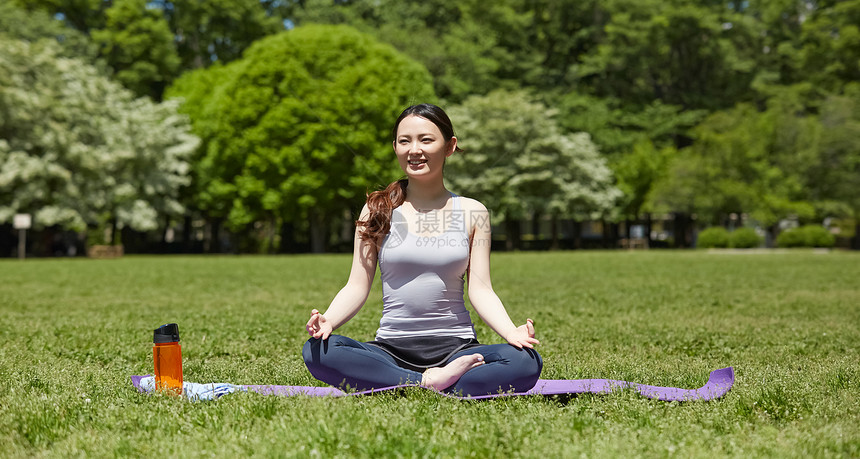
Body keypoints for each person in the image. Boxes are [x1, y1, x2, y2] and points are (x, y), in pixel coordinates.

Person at [302, 103, 542, 396]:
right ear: (395, 147)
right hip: (390, 349)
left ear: (450, 146)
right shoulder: (377, 209)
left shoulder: (473, 212)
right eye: (405, 141)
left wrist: (510, 333)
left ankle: (402, 382)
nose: (414, 149)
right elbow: (357, 284)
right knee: (319, 352)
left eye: (426, 139)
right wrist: (329, 320)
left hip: (458, 348)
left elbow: (481, 289)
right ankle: (428, 383)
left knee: (525, 362)